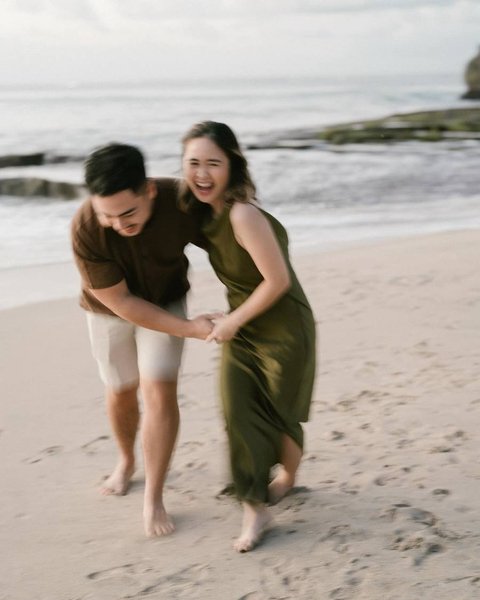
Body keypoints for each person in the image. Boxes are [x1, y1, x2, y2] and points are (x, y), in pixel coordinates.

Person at [179, 121, 316, 552]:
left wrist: (234, 321)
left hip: (281, 326)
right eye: (193, 164)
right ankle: (255, 508)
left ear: (232, 166)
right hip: (240, 320)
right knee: (237, 409)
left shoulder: (242, 214)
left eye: (212, 164)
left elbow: (276, 282)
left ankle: (288, 478)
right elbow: (155, 195)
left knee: (279, 414)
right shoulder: (203, 212)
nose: (202, 174)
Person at [71, 143, 214, 538]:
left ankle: (153, 495)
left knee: (159, 391)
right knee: (121, 388)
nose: (119, 224)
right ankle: (125, 460)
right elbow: (120, 301)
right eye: (108, 216)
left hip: (167, 299)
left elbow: (227, 235)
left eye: (128, 213)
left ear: (149, 189)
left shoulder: (180, 202)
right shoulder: (85, 229)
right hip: (106, 310)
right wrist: (190, 328)